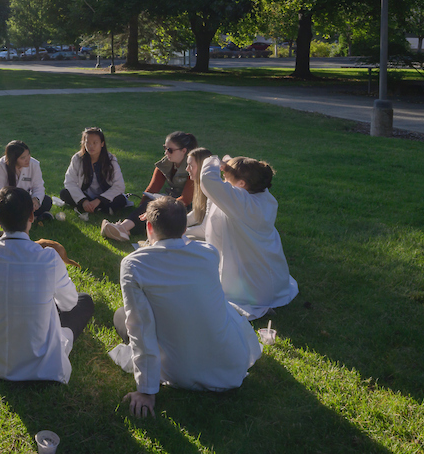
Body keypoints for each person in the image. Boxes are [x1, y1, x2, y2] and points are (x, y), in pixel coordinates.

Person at [114, 196, 263, 417]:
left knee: (120, 316)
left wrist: (146, 390)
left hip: (181, 370)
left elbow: (140, 327)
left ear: (148, 227)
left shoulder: (133, 264)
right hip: (231, 362)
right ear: (185, 228)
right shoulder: (209, 253)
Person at [0, 187, 94, 383]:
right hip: (40, 365)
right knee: (84, 300)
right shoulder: (48, 259)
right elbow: (69, 304)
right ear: (32, 217)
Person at [200, 154, 299, 320]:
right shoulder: (264, 196)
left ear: (242, 184)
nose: (224, 179)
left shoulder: (241, 202)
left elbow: (207, 179)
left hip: (250, 287)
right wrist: (233, 166)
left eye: (226, 177)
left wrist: (214, 161)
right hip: (271, 274)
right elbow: (246, 179)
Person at [102, 131, 197, 243]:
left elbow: (185, 200)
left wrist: (158, 208)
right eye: (165, 148)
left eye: (170, 150)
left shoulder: (193, 168)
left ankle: (123, 229)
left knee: (155, 209)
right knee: (150, 206)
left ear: (183, 151)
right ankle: (125, 229)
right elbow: (151, 190)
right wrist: (142, 209)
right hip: (173, 203)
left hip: (188, 209)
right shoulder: (165, 165)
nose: (166, 153)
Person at [0, 141, 53, 222]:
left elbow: (38, 187)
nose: (27, 159)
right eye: (23, 158)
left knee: (46, 201)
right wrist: (14, 204)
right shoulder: (0, 166)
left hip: (24, 199)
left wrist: (36, 200)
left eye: (28, 155)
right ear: (13, 159)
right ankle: (30, 218)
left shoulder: (34, 164)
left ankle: (16, 218)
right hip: (5, 201)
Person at [60, 127, 127, 214]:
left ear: (102, 144)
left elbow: (119, 186)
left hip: (105, 196)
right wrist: (83, 201)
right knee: (64, 193)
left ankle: (95, 207)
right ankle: (97, 208)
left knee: (121, 199)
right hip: (85, 195)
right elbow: (69, 182)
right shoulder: (77, 158)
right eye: (88, 143)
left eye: (95, 143)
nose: (91, 146)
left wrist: (99, 200)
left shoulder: (111, 160)